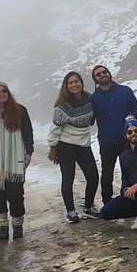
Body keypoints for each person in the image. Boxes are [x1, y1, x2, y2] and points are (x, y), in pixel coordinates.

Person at [47, 72, 100, 223]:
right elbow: (54, 129)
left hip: (84, 145)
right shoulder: (62, 107)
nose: (74, 85)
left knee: (93, 177)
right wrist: (53, 147)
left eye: (76, 81)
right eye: (70, 83)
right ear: (66, 86)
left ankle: (88, 207)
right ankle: (70, 211)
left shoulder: (89, 98)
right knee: (68, 178)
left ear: (81, 83)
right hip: (66, 146)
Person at [0, 81, 33, 240]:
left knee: (15, 194)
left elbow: (27, 131)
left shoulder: (19, 110)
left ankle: (17, 226)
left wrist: (29, 151)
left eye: (4, 90)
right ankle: (2, 227)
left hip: (15, 156)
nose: (1, 94)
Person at [90, 65, 137, 205]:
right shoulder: (93, 98)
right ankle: (107, 202)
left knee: (132, 171)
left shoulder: (125, 91)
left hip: (127, 138)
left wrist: (133, 116)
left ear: (109, 73)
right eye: (98, 74)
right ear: (95, 79)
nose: (102, 75)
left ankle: (134, 199)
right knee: (107, 174)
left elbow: (136, 107)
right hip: (107, 140)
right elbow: (90, 118)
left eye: (104, 72)